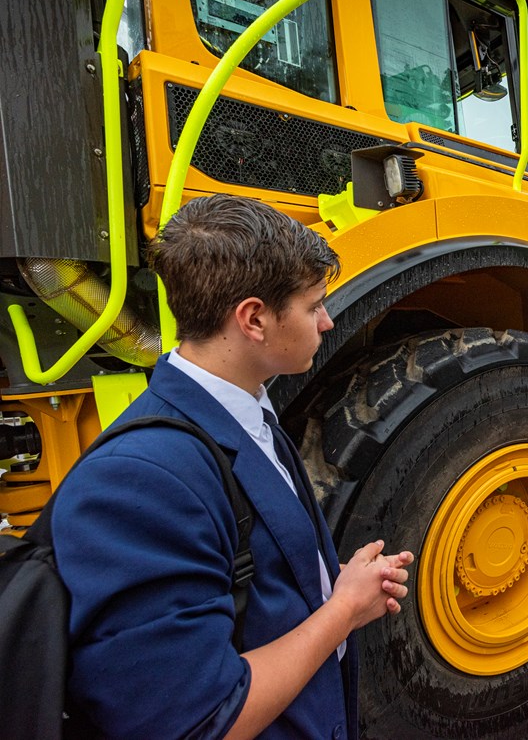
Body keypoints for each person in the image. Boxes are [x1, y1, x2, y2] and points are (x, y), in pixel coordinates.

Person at [51, 195, 414, 739]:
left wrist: (323, 584)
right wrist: (343, 610)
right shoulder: (138, 481)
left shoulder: (246, 411)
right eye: (313, 304)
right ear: (253, 319)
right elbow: (197, 721)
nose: (327, 320)